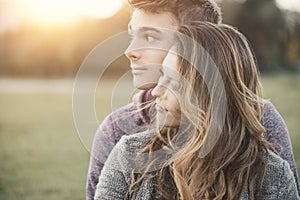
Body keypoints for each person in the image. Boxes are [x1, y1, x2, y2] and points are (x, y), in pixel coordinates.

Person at [86, 0, 299, 199]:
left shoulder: (260, 120)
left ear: (199, 42)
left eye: (150, 37)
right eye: (132, 35)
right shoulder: (116, 130)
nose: (129, 51)